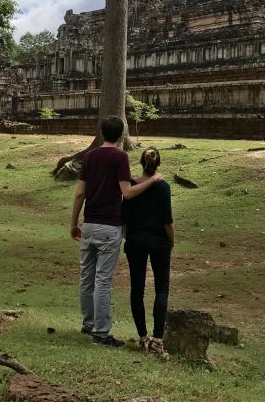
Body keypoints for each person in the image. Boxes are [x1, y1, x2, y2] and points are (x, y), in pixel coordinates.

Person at [70, 116, 161, 347]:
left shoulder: (90, 156)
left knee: (86, 278)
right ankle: (101, 333)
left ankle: (88, 324)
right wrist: (152, 181)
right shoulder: (120, 157)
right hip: (109, 227)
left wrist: (74, 222)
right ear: (121, 134)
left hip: (89, 224)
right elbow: (127, 193)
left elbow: (80, 193)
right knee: (102, 281)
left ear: (101, 132)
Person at [122, 146, 174, 357]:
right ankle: (158, 340)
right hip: (159, 241)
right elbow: (167, 221)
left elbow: (124, 219)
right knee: (161, 288)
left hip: (135, 241)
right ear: (158, 164)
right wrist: (172, 240)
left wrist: (130, 237)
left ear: (141, 163)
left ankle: (143, 337)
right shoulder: (163, 187)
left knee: (137, 288)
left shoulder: (132, 187)